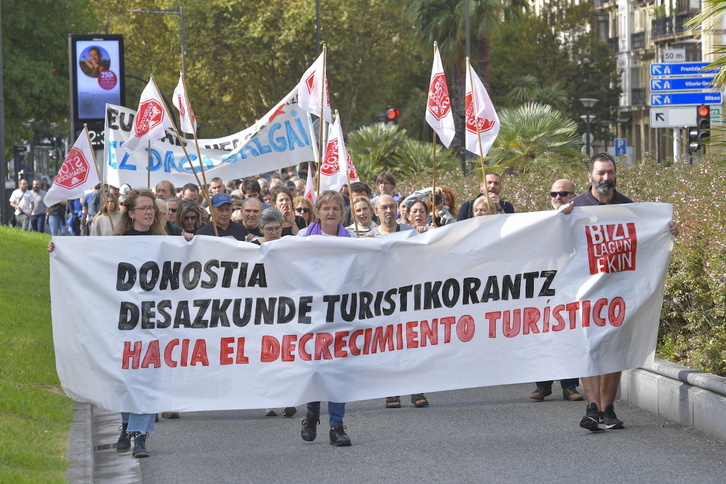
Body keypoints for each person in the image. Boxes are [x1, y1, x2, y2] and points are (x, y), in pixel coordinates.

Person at [48, 189, 192, 458]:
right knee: (126, 378)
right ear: (131, 213)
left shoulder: (167, 241)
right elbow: (91, 263)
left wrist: (188, 241)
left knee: (147, 380)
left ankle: (141, 436)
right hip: (125, 324)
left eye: (153, 208)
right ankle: (126, 425)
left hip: (156, 324)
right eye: (144, 208)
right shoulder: (118, 242)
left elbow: (188, 263)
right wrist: (61, 251)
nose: (150, 212)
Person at [569, 153, 678, 432]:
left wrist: (666, 231)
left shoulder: (629, 208)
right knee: (590, 349)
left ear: (616, 174)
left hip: (619, 291)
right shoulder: (576, 207)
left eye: (610, 173)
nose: (605, 178)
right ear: (589, 176)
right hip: (586, 293)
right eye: (600, 173)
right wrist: (561, 218)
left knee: (614, 349)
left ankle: (609, 409)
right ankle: (592, 408)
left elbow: (645, 242)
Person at [298, 191, 352, 446]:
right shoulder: (302, 239)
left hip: (341, 314)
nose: (331, 213)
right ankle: (311, 413)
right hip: (311, 315)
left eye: (336, 208)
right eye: (326, 208)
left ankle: (336, 425)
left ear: (342, 214)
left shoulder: (351, 240)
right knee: (316, 369)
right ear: (317, 212)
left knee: (338, 370)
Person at [528, 179, 584, 402]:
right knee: (544, 336)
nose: (558, 198)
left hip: (570, 284)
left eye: (563, 194)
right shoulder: (541, 220)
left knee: (569, 335)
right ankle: (543, 385)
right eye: (554, 194)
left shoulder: (582, 218)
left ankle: (569, 386)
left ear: (573, 196)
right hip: (544, 286)